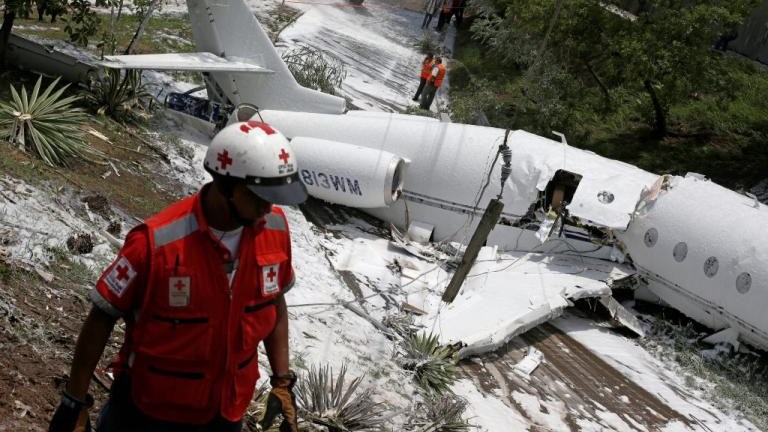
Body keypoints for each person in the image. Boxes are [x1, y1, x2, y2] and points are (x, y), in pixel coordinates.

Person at [48, 120, 308, 432]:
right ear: (226, 186)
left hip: (225, 412)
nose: (268, 207)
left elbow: (273, 302)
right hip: (146, 414)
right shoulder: (155, 244)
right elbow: (101, 316)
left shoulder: (274, 230)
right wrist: (74, 401)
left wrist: (282, 381)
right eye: (258, 197)